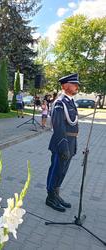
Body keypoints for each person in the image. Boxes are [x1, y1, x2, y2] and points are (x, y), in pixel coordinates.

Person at [46, 73, 79, 212]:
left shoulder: (70, 102)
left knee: (63, 172)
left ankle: (56, 195)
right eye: (74, 84)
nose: (77, 86)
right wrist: (64, 146)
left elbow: (73, 125)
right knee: (56, 170)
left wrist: (74, 145)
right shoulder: (60, 103)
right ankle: (50, 197)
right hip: (61, 142)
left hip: (70, 141)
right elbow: (58, 127)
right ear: (65, 86)